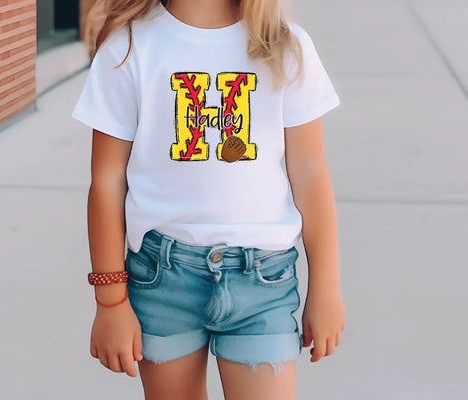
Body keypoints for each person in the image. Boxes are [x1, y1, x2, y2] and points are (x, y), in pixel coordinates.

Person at [71, 0, 346, 398]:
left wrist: (326, 287)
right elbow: (107, 180)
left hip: (262, 283)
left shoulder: (285, 46)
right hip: (163, 279)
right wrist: (110, 301)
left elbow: (310, 173)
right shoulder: (129, 46)